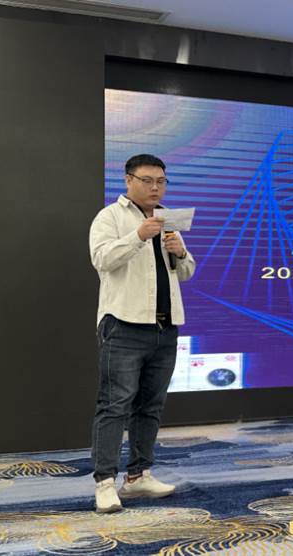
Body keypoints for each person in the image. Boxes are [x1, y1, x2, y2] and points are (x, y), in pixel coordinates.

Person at [88, 154, 196, 513]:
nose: (155, 188)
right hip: (124, 324)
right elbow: (102, 259)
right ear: (128, 180)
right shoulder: (110, 217)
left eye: (161, 181)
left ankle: (138, 476)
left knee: (151, 405)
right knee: (114, 404)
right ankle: (105, 482)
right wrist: (137, 236)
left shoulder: (167, 219)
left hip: (165, 326)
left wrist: (181, 252)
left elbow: (186, 273)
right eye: (147, 180)